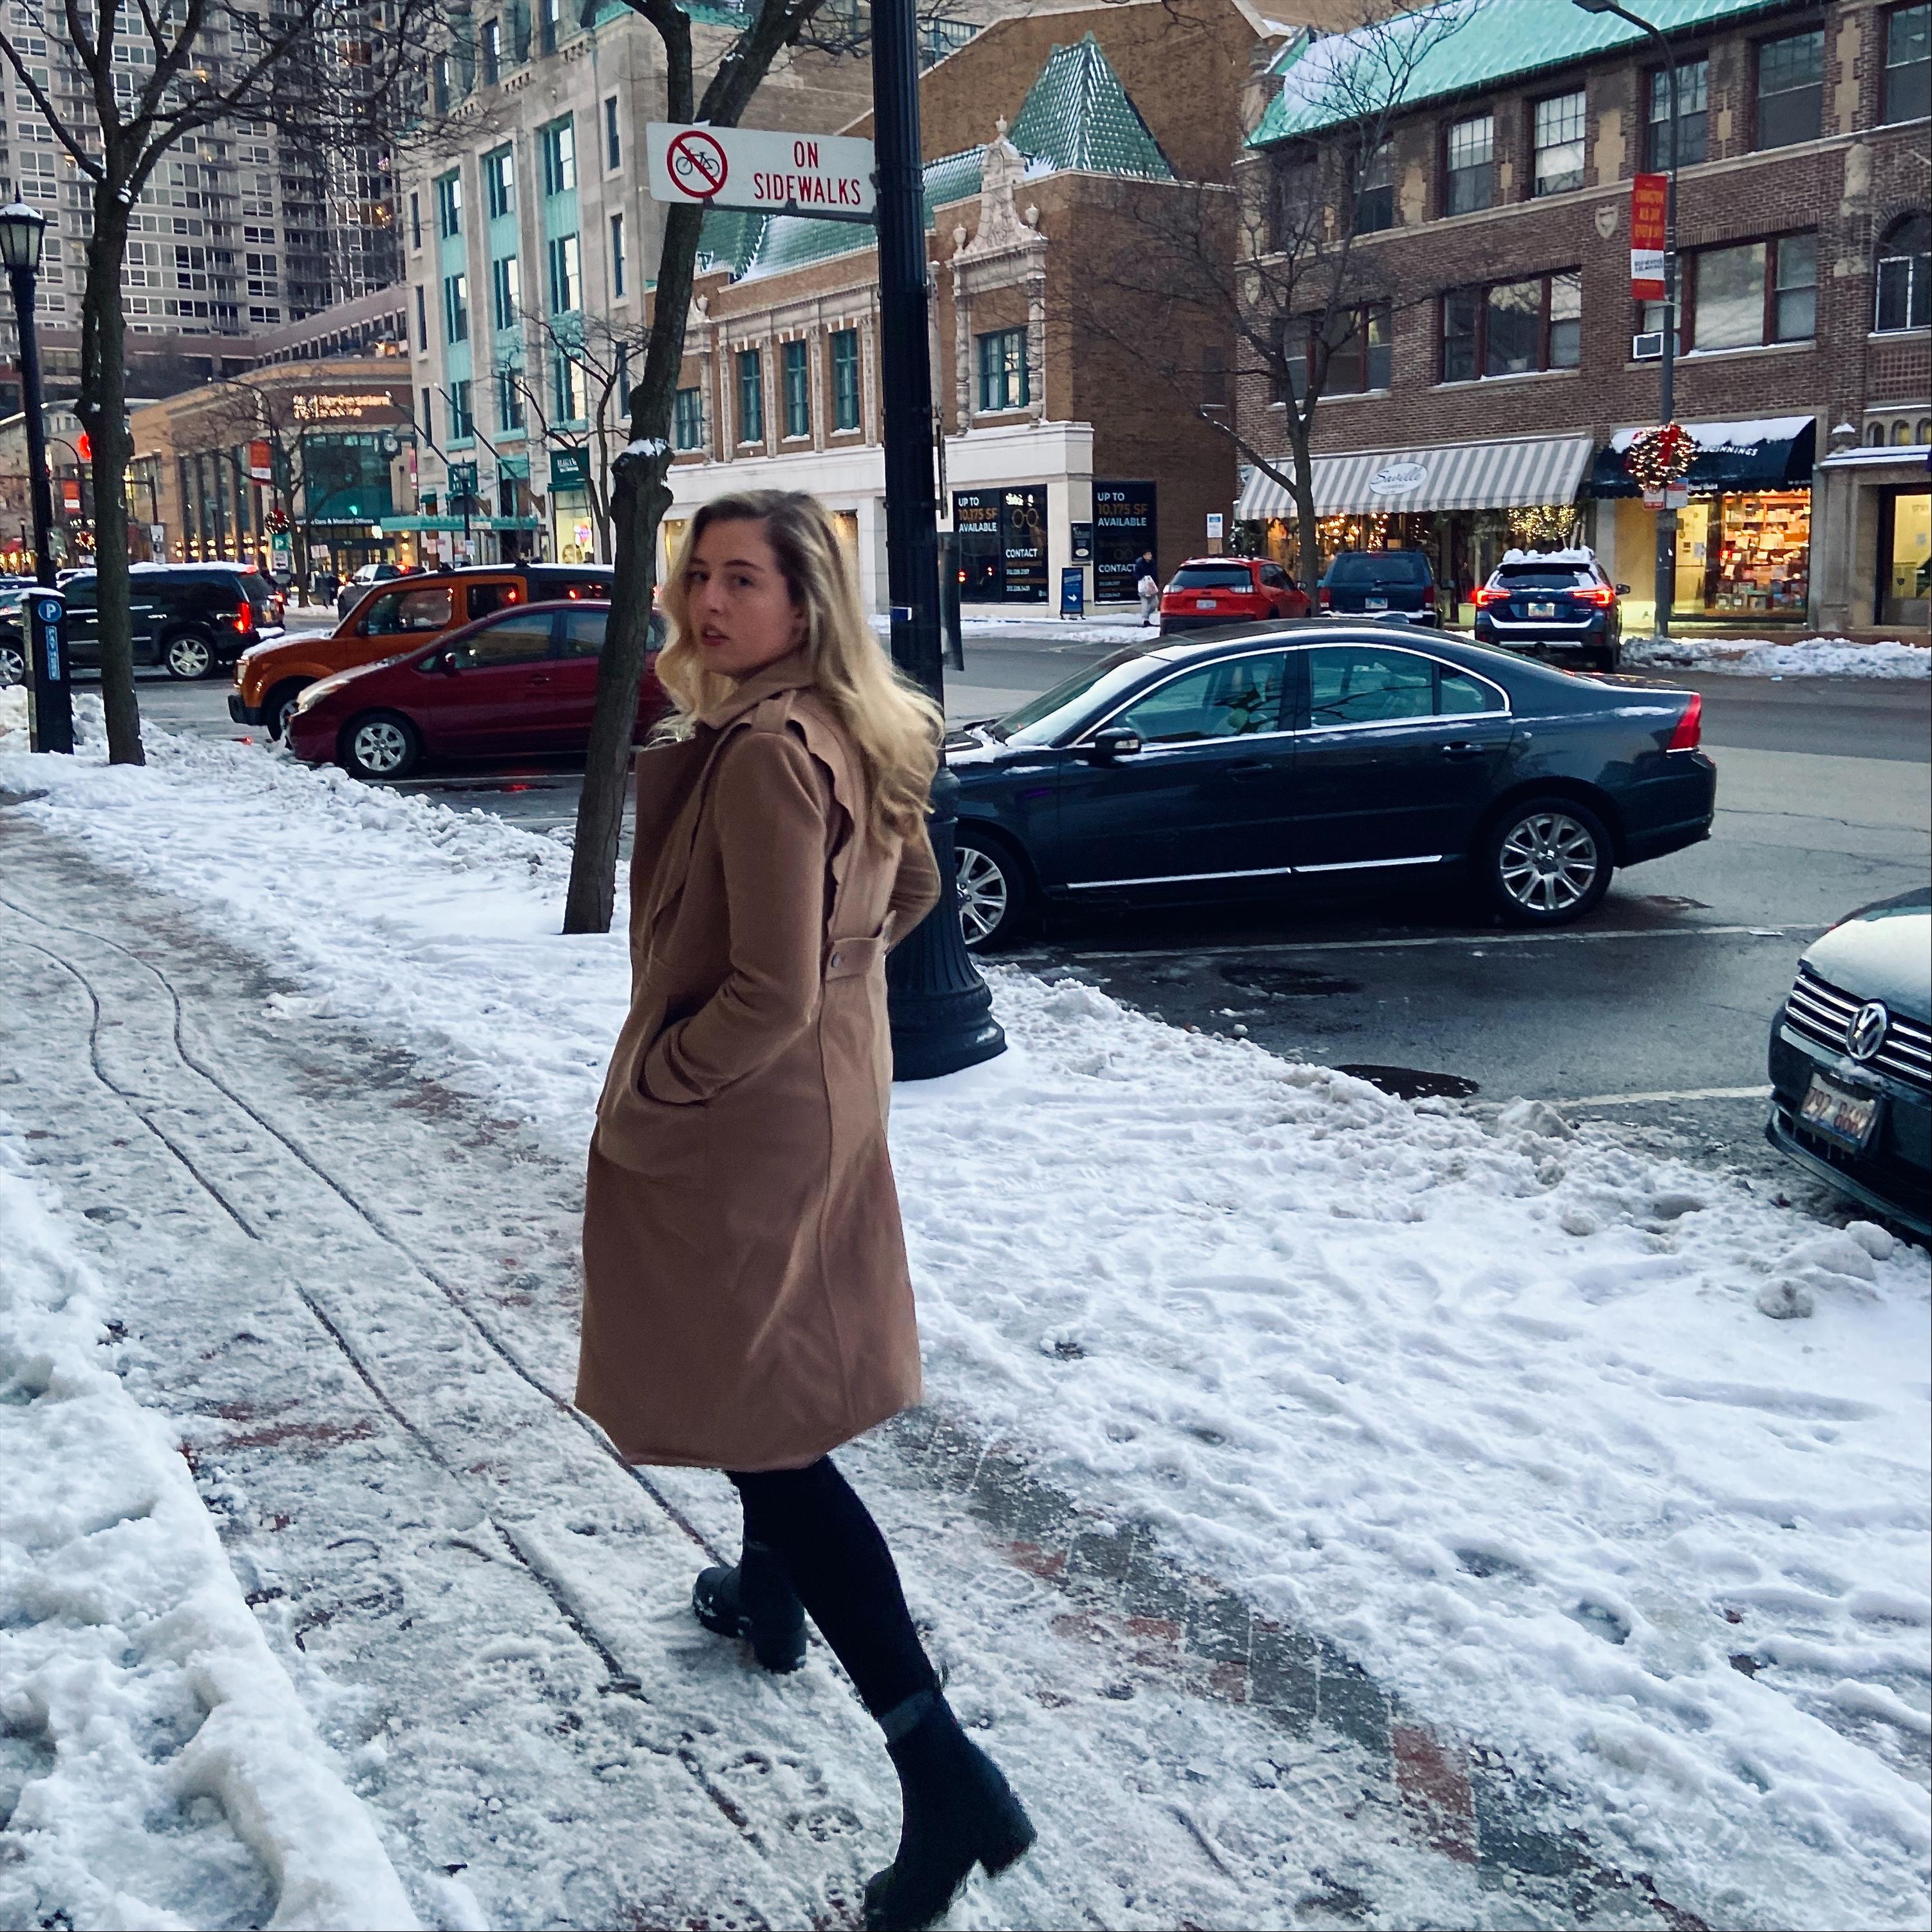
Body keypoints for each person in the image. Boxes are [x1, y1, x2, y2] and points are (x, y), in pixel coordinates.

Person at [577, 489, 1036, 1930]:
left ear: (805, 605)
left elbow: (766, 987)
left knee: (772, 1436)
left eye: (744, 583)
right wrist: (833, 978)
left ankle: (940, 1771)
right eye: (698, 578)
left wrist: (664, 1082)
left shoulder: (771, 752)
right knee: (759, 1384)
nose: (711, 605)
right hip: (813, 1105)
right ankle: (767, 1596)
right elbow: (907, 887)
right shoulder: (845, 724)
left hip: (739, 1127)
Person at [1136, 554, 1160, 627]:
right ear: (1144, 556)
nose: (1150, 556)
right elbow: (1136, 575)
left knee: (1155, 603)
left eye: (1150, 554)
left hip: (1152, 586)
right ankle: (1145, 620)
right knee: (1145, 603)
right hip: (1143, 586)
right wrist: (1142, 578)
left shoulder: (1152, 563)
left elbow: (1155, 574)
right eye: (1148, 554)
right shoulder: (1140, 564)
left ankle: (1146, 615)